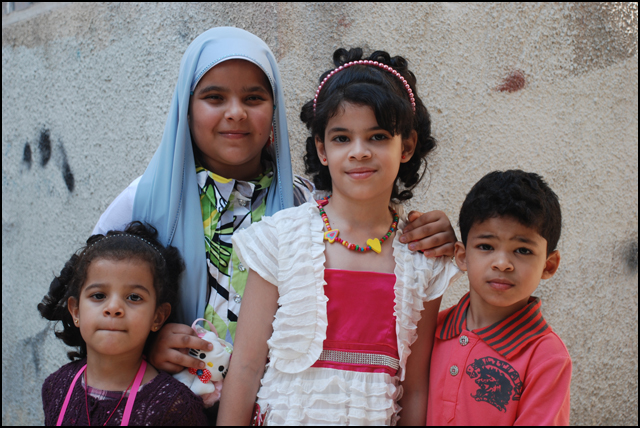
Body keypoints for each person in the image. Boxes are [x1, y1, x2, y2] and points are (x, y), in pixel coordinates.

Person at [92, 27, 458, 379]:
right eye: (214, 98)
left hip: (273, 403)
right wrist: (146, 342)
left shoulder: (305, 203)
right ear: (185, 108)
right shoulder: (143, 201)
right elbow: (89, 301)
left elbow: (366, 232)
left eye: (253, 98)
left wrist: (431, 232)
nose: (235, 113)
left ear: (274, 109)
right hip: (166, 398)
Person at [218, 48, 462, 426]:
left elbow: (415, 387)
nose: (359, 152)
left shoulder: (422, 258)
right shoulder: (282, 239)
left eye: (377, 137)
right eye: (342, 138)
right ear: (322, 148)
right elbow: (246, 367)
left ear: (407, 146)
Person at [427, 170, 572, 425]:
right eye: (486, 246)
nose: (502, 263)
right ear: (462, 256)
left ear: (548, 265)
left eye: (523, 250)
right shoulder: (431, 330)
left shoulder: (547, 357)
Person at [38, 222, 207, 426]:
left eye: (134, 297)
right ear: (76, 311)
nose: (113, 308)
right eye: (98, 295)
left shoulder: (175, 407)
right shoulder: (56, 386)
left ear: (157, 317)